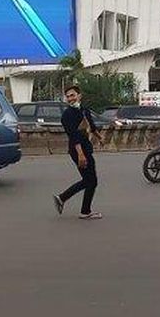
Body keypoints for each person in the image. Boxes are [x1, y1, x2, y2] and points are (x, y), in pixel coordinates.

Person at [52, 85, 105, 220]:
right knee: (91, 181)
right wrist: (80, 155)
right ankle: (84, 211)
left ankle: (62, 198)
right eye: (68, 96)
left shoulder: (84, 110)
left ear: (79, 96)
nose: (70, 98)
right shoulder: (67, 115)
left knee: (89, 180)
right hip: (77, 150)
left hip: (86, 148)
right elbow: (73, 136)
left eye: (73, 95)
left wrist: (99, 137)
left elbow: (91, 126)